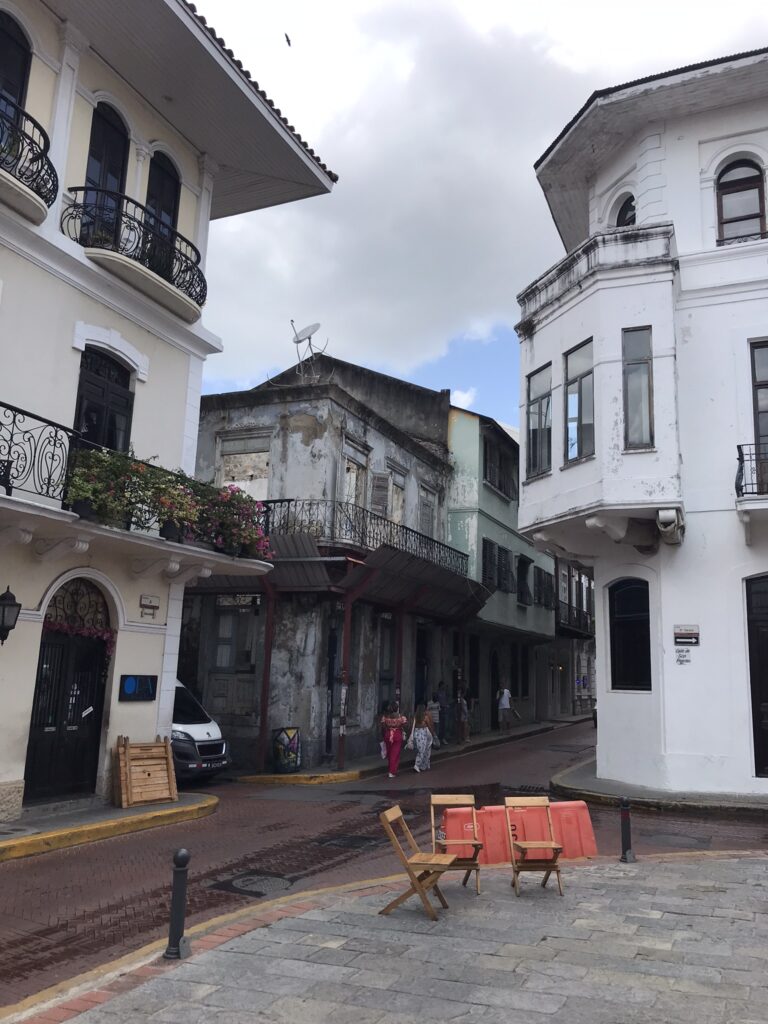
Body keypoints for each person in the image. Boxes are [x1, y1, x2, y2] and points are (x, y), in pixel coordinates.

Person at [380, 700, 408, 778]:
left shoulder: (385, 717)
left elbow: (383, 726)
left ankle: (392, 769)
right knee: (395, 754)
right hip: (397, 735)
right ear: (397, 708)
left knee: (389, 753)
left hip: (388, 734)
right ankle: (392, 771)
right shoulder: (400, 717)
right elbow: (405, 724)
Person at [411, 703, 435, 773]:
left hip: (416, 734)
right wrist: (432, 733)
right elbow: (429, 726)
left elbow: (412, 726)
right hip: (423, 735)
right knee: (423, 750)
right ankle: (417, 765)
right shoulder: (425, 717)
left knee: (420, 750)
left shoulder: (415, 717)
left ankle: (424, 764)